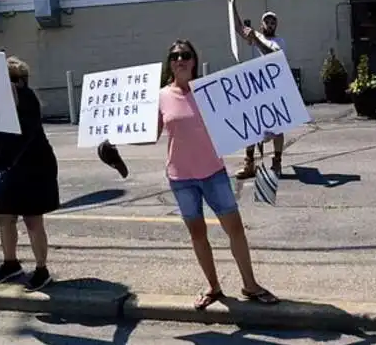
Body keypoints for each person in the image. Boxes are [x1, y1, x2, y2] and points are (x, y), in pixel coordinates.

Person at [103, 40, 278, 310]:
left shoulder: (209, 91)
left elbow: (237, 118)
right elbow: (150, 134)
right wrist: (116, 139)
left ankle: (250, 285)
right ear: (170, 63)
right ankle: (213, 287)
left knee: (235, 229)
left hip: (213, 172)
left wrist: (260, 125)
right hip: (181, 178)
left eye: (185, 55)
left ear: (194, 60)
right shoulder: (161, 96)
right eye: (174, 56)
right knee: (198, 234)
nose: (180, 60)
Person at [0, 46, 59, 292]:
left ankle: (41, 269)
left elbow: (13, 101)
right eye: (8, 79)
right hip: (7, 167)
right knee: (5, 218)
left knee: (32, 220)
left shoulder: (26, 98)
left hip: (34, 167)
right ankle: (10, 263)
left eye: (16, 79)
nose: (13, 84)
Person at [235, 8, 288, 178]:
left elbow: (272, 56)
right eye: (267, 22)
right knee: (251, 125)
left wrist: (255, 40)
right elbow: (238, 28)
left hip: (272, 89)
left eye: (273, 22)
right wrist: (233, 6)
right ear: (262, 24)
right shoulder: (255, 35)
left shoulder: (279, 41)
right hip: (254, 88)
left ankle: (277, 162)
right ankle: (249, 163)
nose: (270, 25)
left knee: (278, 126)